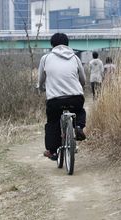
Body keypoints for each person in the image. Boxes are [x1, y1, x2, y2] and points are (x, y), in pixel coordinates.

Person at [38, 33, 87, 161]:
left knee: (53, 121)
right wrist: (79, 85)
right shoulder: (75, 58)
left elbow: (40, 80)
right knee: (80, 111)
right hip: (75, 97)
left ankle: (53, 151)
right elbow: (83, 79)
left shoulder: (46, 58)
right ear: (67, 44)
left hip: (55, 100)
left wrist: (41, 87)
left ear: (52, 44)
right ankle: (79, 127)